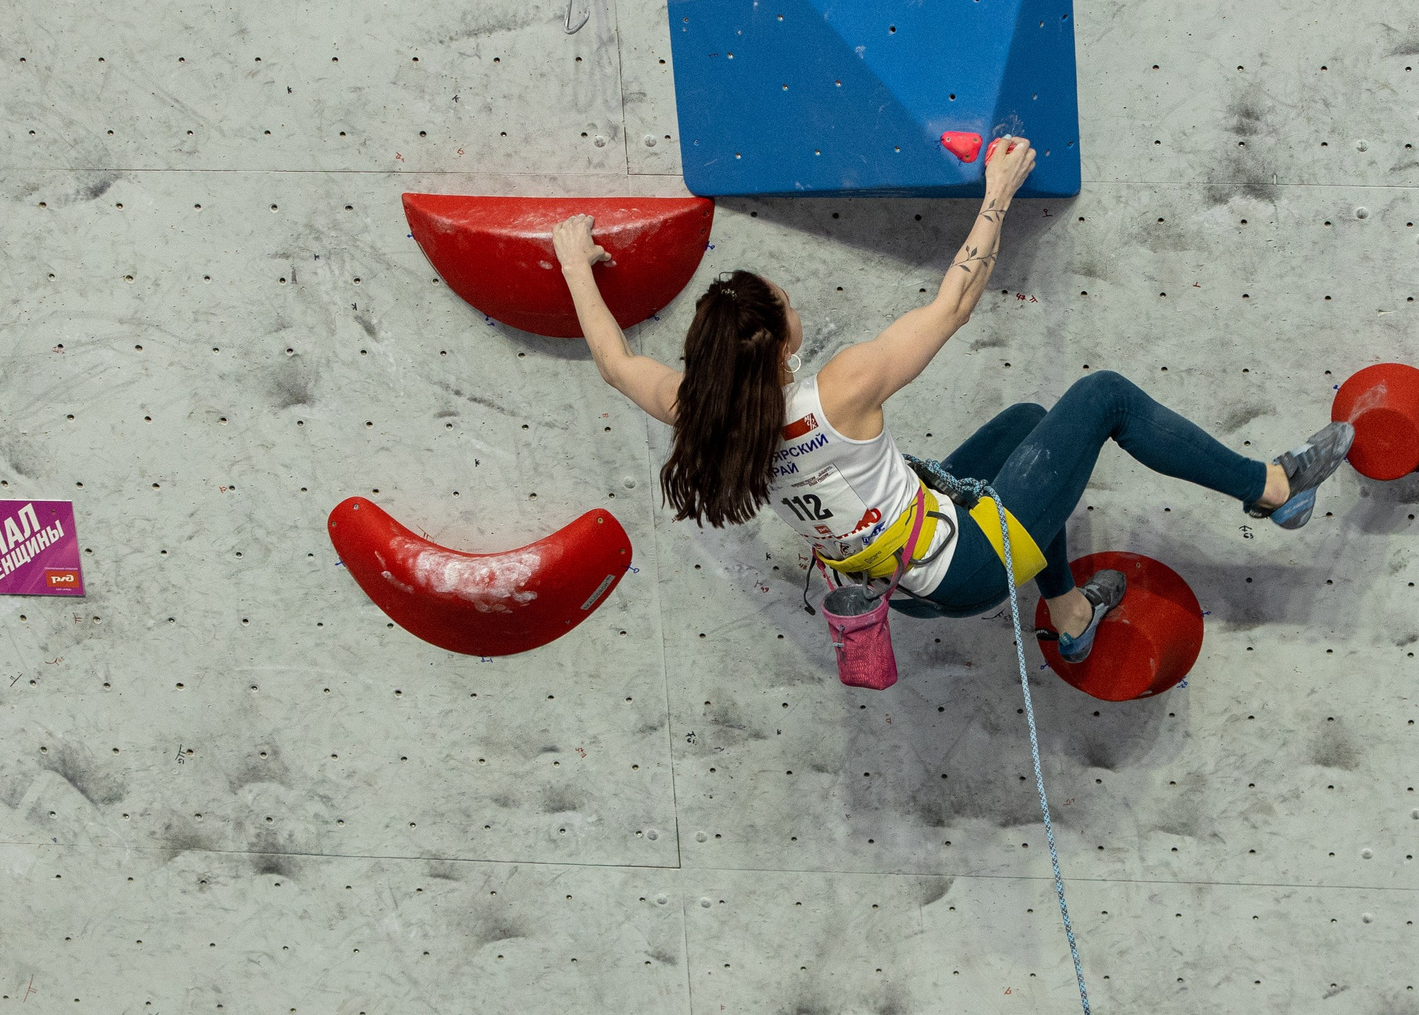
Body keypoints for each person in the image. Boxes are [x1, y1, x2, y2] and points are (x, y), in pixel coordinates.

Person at [550, 136, 1353, 658]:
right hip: (964, 566)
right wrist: (997, 190)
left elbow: (618, 363)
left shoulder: (705, 414)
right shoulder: (841, 390)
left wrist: (575, 262)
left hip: (901, 594)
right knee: (1102, 396)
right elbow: (954, 305)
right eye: (787, 301)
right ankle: (1276, 491)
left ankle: (1071, 620)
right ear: (781, 339)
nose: (795, 306)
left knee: (1029, 427)